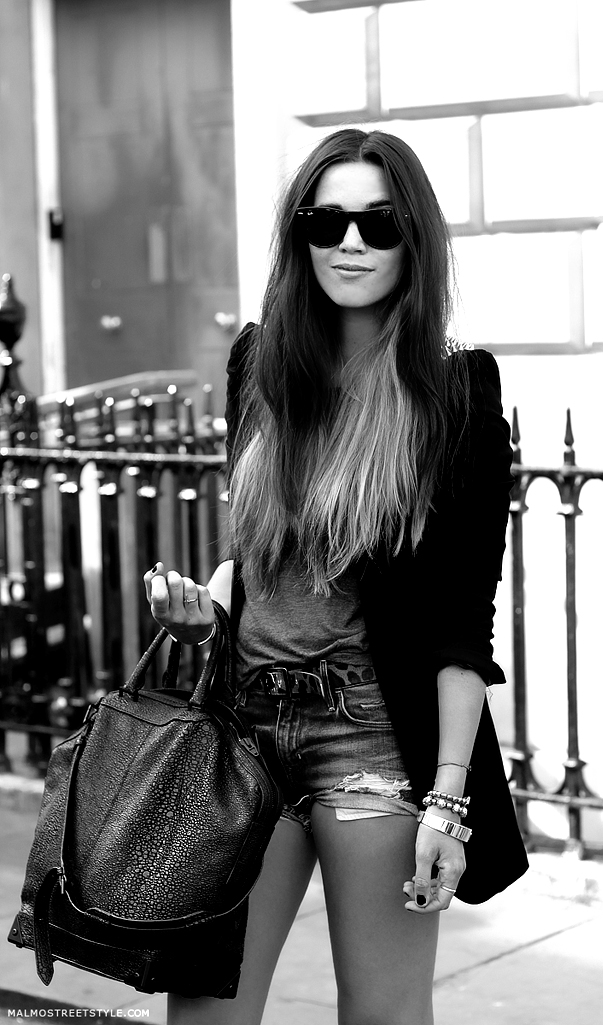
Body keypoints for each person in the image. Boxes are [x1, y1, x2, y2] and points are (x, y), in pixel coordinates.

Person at [144, 128, 528, 1025]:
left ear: (413, 239)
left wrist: (447, 801)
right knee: (203, 1012)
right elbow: (262, 561)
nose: (350, 243)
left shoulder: (454, 394)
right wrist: (206, 608)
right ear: (300, 236)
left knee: (382, 1014)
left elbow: (461, 625)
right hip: (242, 731)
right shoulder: (258, 366)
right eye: (326, 222)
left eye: (378, 223)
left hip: (369, 738)